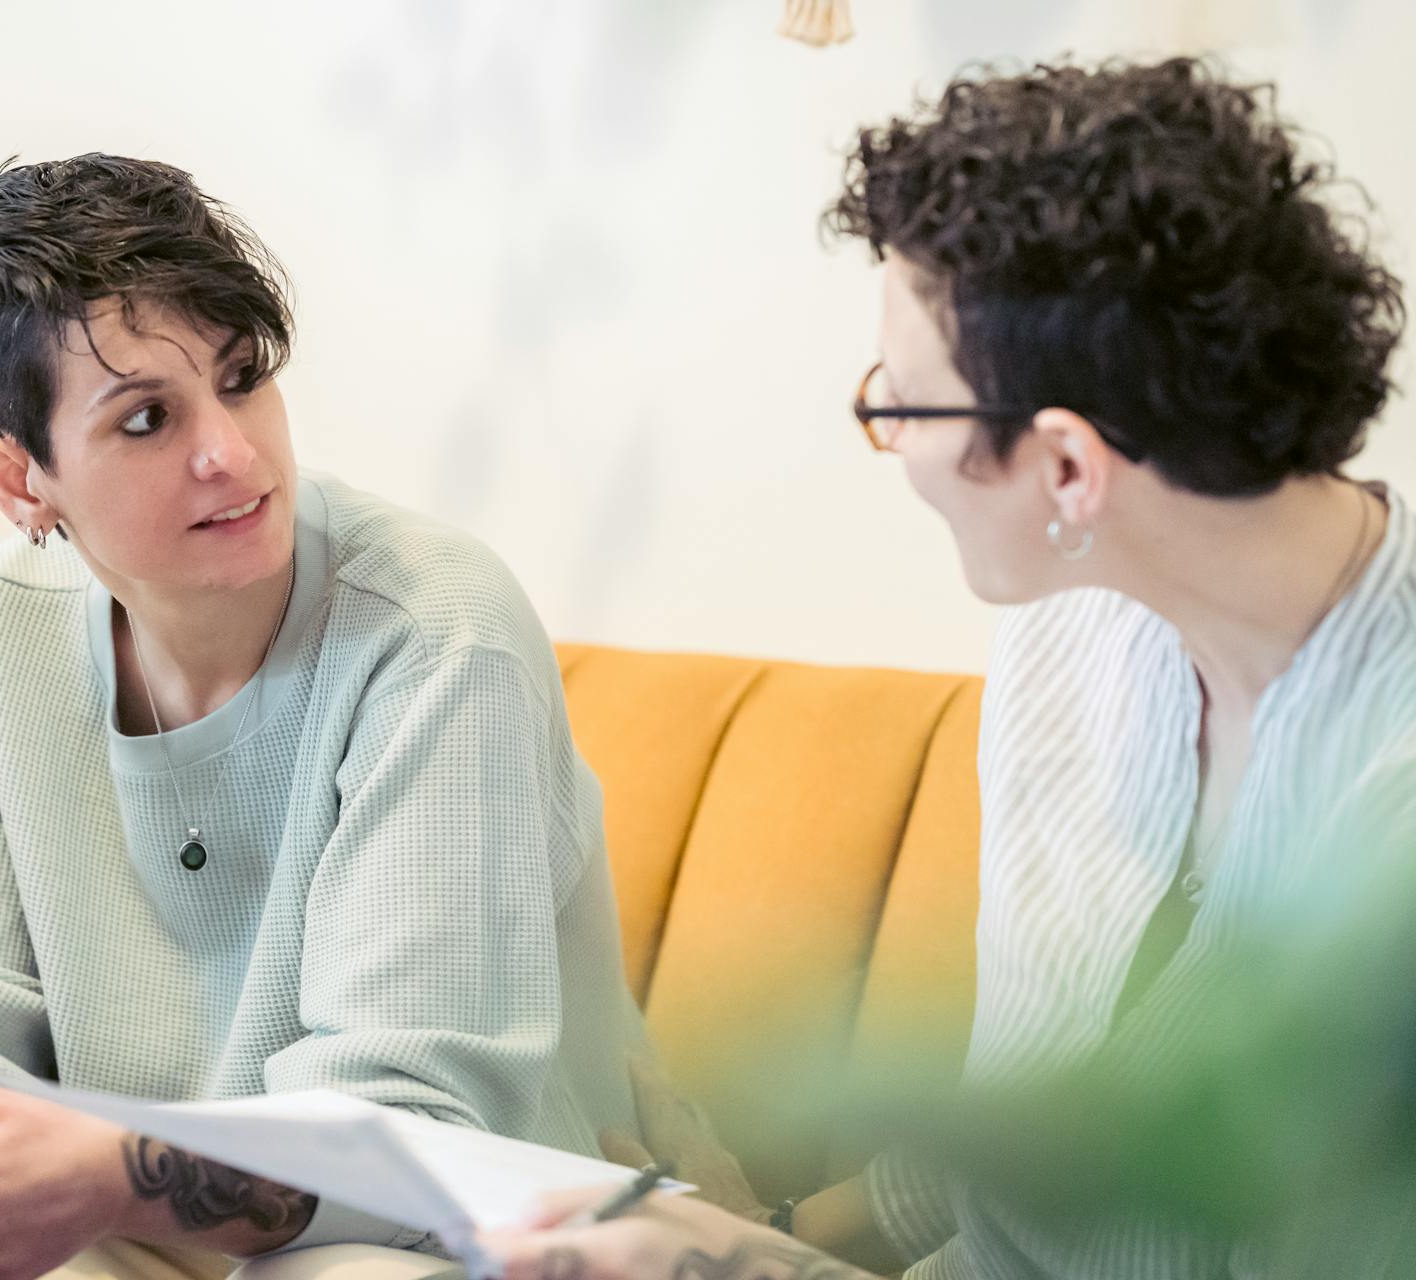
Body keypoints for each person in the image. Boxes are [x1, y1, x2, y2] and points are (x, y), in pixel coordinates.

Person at [0, 154, 647, 1280]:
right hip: (149, 1218)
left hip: (480, 1227)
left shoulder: (435, 629)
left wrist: (109, 1171)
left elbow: (412, 1120)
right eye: (149, 417)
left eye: (243, 375)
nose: (233, 450)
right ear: (21, 482)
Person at [483, 56, 1416, 1280]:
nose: (892, 444)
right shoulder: (1071, 632)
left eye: (904, 408)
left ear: (1069, 469)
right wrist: (758, 1235)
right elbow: (1035, 1128)